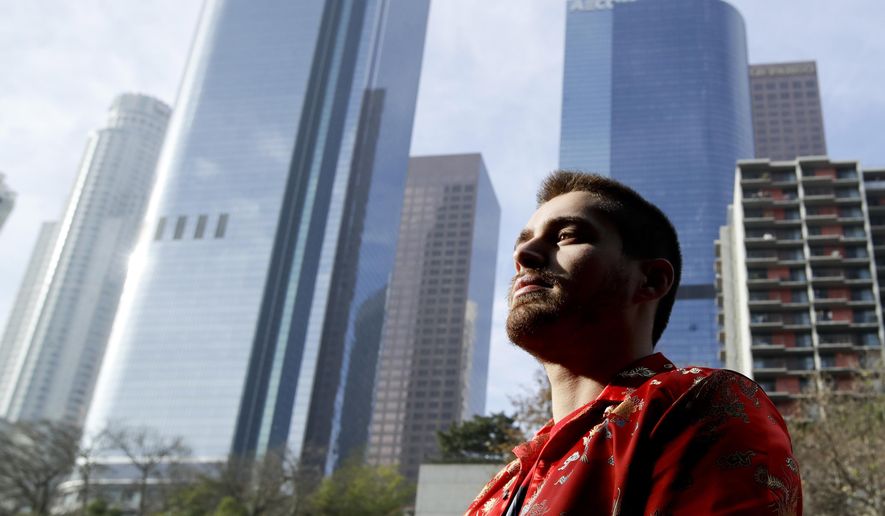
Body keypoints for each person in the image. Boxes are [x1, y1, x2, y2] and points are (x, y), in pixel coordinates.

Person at [467, 172, 801, 515]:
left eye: (566, 235)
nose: (524, 253)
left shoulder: (698, 402)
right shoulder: (501, 486)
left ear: (652, 280)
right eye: (522, 242)